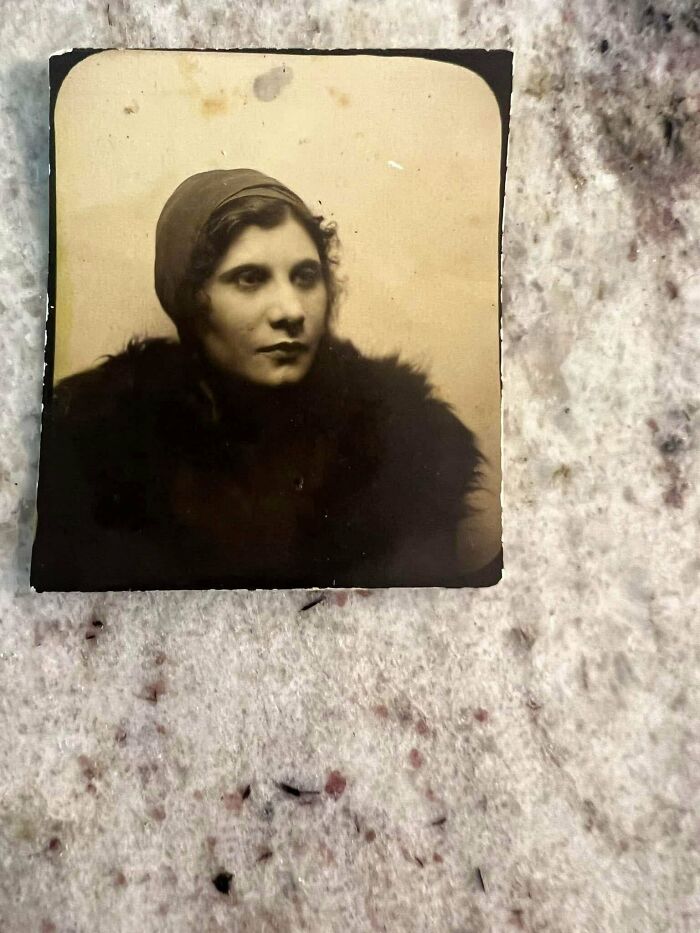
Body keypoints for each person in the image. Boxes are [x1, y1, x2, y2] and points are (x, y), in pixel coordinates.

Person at [32, 169, 499, 591]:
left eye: (306, 276)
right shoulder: (97, 443)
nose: (291, 312)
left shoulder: (405, 436)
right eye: (250, 279)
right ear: (192, 299)